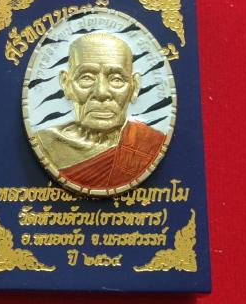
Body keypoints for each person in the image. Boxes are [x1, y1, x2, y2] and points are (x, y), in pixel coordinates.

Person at [36, 33, 166, 191]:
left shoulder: (150, 145)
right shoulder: (44, 143)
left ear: (134, 87)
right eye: (86, 78)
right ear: (66, 83)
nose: (101, 93)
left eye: (116, 79)